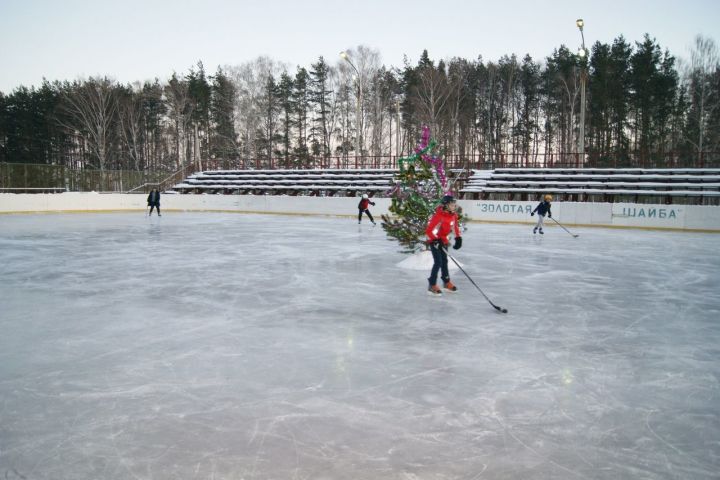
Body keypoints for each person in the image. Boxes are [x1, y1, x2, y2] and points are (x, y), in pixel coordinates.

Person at [425, 195, 462, 295]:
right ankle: (432, 284)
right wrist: (436, 240)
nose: (454, 206)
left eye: (454, 204)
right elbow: (428, 231)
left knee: (445, 262)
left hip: (444, 241)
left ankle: (446, 282)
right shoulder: (438, 216)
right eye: (452, 204)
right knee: (438, 262)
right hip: (435, 242)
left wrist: (458, 238)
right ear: (446, 205)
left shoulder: (453, 215)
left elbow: (455, 227)